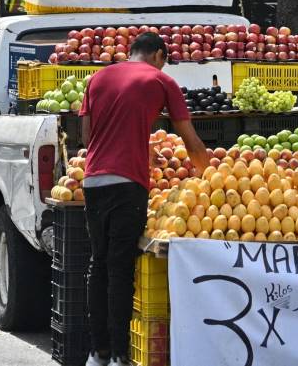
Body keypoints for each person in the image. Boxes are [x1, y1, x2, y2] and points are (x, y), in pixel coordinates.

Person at [79, 32, 209, 366]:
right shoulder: (162, 80)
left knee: (99, 262)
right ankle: (121, 355)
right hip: (128, 185)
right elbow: (191, 141)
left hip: (94, 181)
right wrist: (209, 177)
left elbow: (88, 136)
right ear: (158, 55)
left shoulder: (97, 78)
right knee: (120, 267)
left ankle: (97, 352)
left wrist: (139, 148)